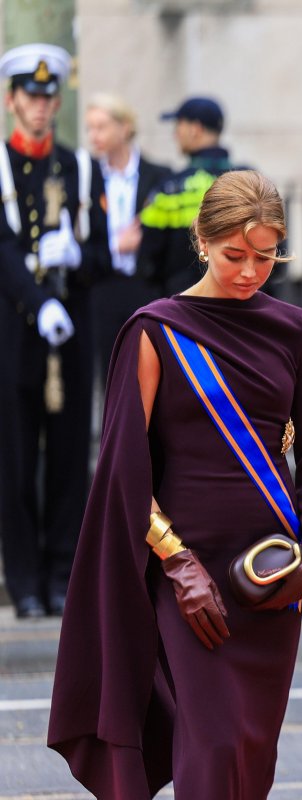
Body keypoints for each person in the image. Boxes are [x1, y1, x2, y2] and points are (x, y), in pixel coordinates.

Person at [47, 170, 302, 798]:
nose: (249, 272)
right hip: (189, 577)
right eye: (235, 255)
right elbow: (124, 471)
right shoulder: (155, 329)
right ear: (201, 242)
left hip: (271, 575)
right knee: (212, 748)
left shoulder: (299, 331)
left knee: (253, 756)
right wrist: (177, 564)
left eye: (265, 257)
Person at [0, 44, 109, 619]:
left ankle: (63, 572)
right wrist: (37, 300)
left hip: (71, 328)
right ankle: (23, 580)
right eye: (30, 96)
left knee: (70, 457)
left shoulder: (81, 167)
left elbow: (104, 254)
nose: (40, 106)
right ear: (11, 100)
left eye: (48, 96)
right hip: (16, 333)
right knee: (16, 459)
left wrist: (76, 257)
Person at [85, 93, 172, 370]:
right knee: (110, 372)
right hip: (104, 285)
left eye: (101, 127)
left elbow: (166, 235)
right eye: (90, 128)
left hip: (145, 284)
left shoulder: (157, 175)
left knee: (149, 368)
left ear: (124, 128)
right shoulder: (88, 176)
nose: (93, 135)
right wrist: (116, 246)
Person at [139, 96, 248, 297]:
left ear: (195, 129)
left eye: (178, 125)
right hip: (240, 302)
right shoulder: (249, 181)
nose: (175, 134)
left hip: (183, 306)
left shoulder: (170, 188)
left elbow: (148, 260)